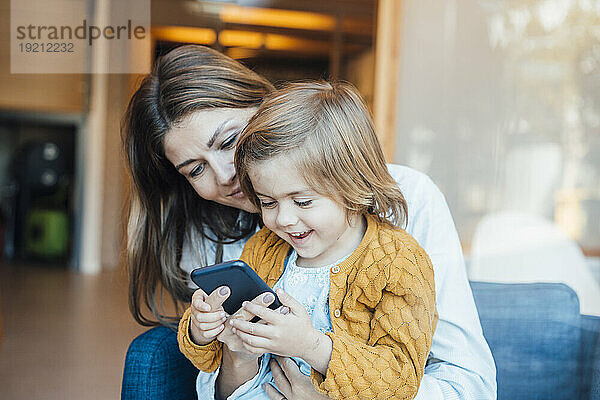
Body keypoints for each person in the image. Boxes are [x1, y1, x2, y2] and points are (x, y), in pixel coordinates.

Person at [123, 44, 496, 399]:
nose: (224, 175)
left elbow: (468, 386)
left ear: (268, 108)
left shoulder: (409, 206)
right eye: (196, 169)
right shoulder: (224, 244)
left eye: (229, 141)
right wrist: (232, 351)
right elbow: (218, 377)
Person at [177, 81, 438, 399]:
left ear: (353, 185)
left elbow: (400, 379)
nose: (283, 220)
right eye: (268, 203)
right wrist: (201, 329)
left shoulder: (398, 260)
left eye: (302, 202)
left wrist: (311, 346)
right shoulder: (264, 248)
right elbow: (213, 359)